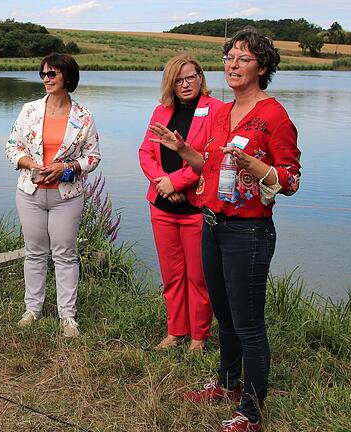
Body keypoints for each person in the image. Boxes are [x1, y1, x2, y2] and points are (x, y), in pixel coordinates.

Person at [150, 28, 301, 432]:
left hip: (248, 233)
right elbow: (209, 166)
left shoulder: (273, 116)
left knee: (249, 325)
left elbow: (289, 181)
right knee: (225, 317)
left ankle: (251, 413)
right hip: (213, 225)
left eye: (243, 59)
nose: (232, 65)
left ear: (263, 67)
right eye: (229, 57)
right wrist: (182, 150)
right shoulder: (220, 112)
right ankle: (228, 384)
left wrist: (258, 167)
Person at [5, 53, 101, 338]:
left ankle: (67, 317)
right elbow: (12, 147)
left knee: (65, 255)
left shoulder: (84, 117)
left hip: (67, 196)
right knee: (33, 253)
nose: (46, 79)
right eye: (43, 74)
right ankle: (32, 310)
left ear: (67, 77)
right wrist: (30, 163)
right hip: (30, 192)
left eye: (52, 74)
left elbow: (93, 158)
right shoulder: (29, 110)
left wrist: (66, 168)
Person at [139, 54, 224, 352]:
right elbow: (145, 153)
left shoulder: (217, 110)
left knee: (198, 277)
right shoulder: (161, 112)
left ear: (201, 78)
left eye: (190, 77)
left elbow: (213, 159)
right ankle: (175, 332)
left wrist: (176, 182)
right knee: (172, 275)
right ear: (170, 84)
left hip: (196, 209)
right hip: (162, 208)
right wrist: (163, 183)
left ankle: (199, 338)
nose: (185, 84)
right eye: (178, 79)